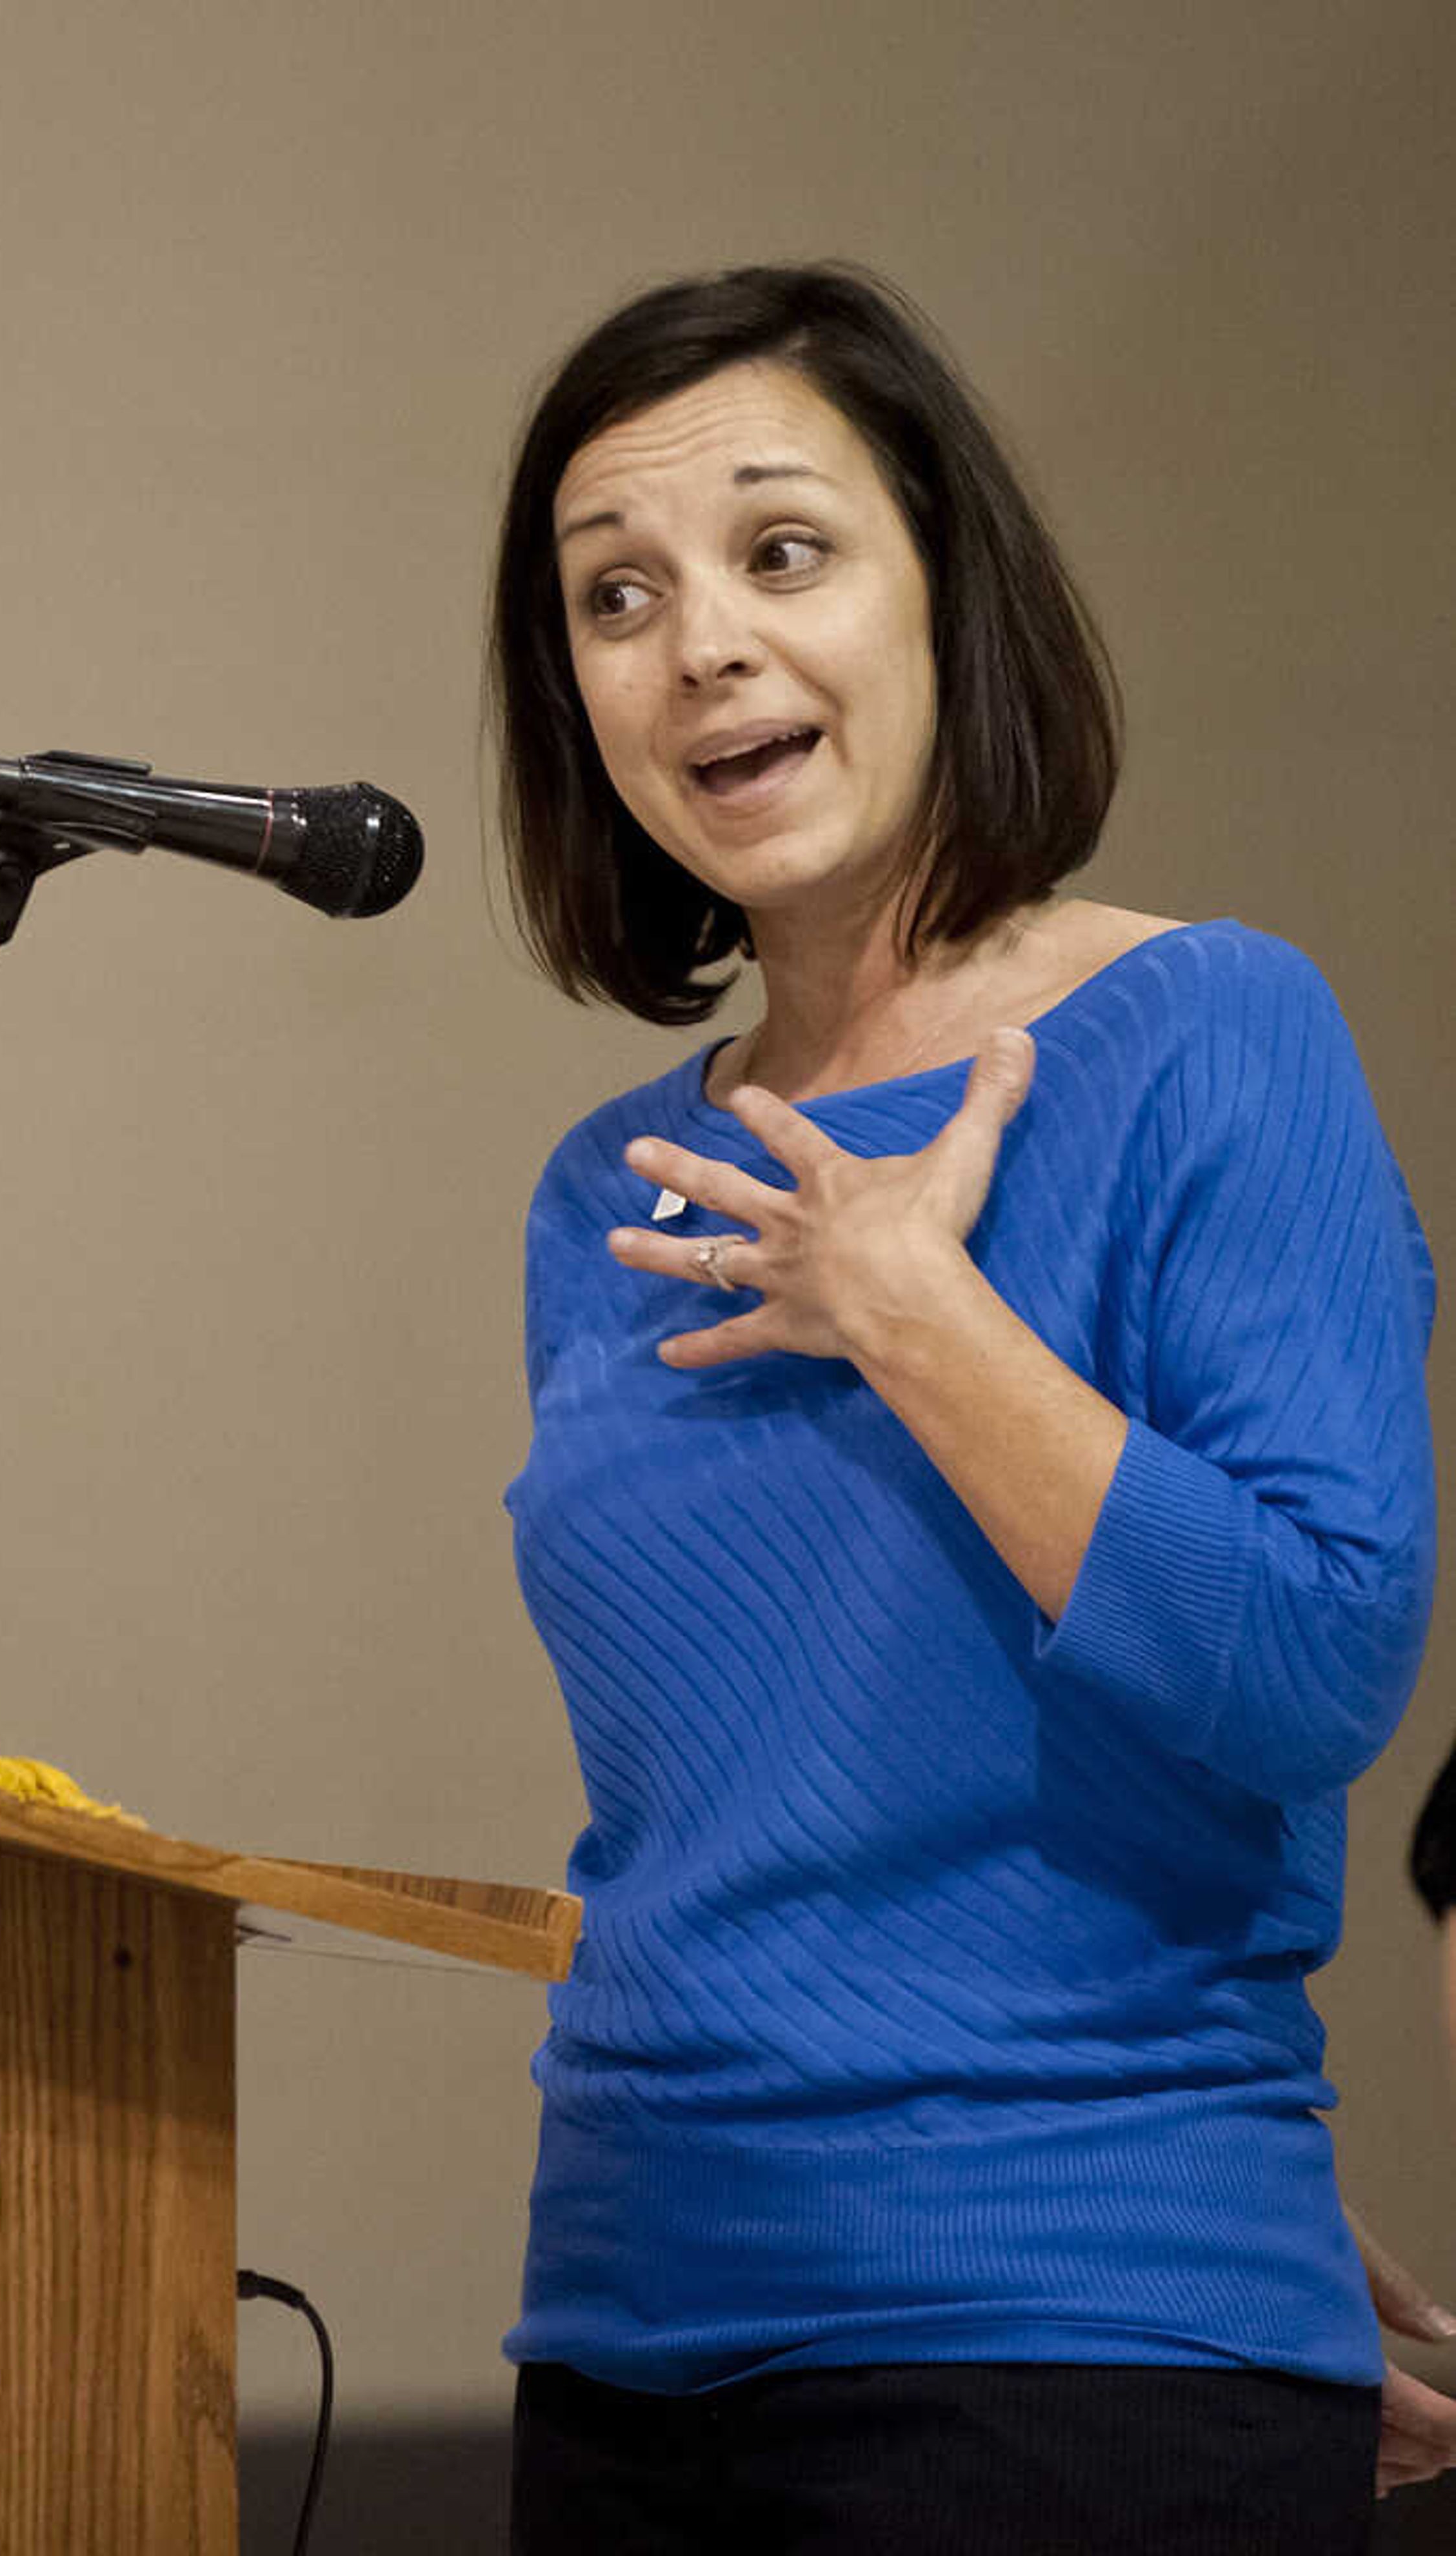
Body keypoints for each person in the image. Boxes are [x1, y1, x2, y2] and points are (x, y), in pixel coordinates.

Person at [489, 264, 1439, 2553]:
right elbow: (747, 1791)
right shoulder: (602, 1189)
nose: (698, 639)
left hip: (1066, 2347)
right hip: (626, 2321)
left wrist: (914, 1308)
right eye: (616, 597)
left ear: (948, 594)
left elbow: (1318, 1665)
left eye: (781, 551)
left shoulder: (1215, 1031)